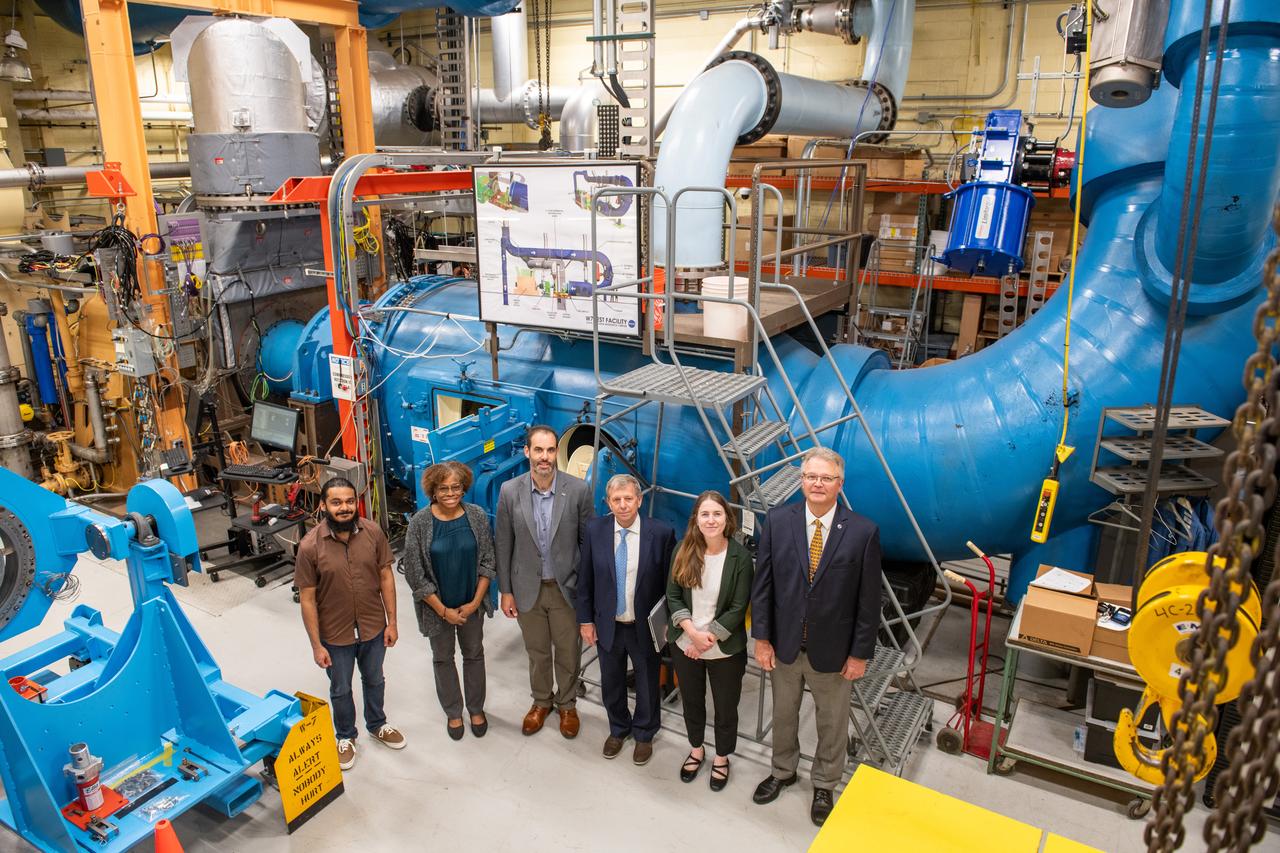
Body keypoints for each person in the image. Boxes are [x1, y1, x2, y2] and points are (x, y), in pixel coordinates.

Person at [750, 447, 881, 826]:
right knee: (783, 714)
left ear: (840, 484)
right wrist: (762, 638)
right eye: (811, 477)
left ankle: (824, 783)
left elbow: (869, 601)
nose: (817, 484)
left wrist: (859, 654)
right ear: (801, 481)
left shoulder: (863, 532)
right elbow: (763, 586)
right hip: (785, 646)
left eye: (826, 478)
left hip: (834, 652)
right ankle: (782, 771)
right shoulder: (778, 521)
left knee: (832, 722)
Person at [295, 477, 406, 771]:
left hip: (373, 626)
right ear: (323, 505)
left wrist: (392, 622)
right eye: (336, 502)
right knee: (341, 688)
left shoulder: (373, 533)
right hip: (335, 634)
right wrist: (316, 645)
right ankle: (345, 736)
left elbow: (386, 577)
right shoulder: (309, 547)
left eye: (349, 501)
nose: (344, 508)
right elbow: (307, 599)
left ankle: (377, 724)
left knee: (375, 679)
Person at [496, 425, 594, 738]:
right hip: (527, 589)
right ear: (527, 451)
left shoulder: (577, 490)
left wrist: (586, 593)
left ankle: (567, 704)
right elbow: (503, 544)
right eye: (538, 450)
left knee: (568, 651)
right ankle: (541, 701)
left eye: (550, 450)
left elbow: (588, 545)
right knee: (537, 651)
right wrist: (505, 591)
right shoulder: (509, 491)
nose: (545, 457)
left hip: (566, 588)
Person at [576, 474, 676, 766]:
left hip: (643, 626)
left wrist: (668, 623)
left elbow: (670, 586)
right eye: (616, 500)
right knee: (611, 682)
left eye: (628, 499)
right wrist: (585, 620)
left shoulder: (661, 533)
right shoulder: (595, 530)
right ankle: (618, 728)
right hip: (607, 624)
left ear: (639, 500)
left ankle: (644, 734)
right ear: (608, 503)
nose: (622, 505)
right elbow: (585, 580)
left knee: (647, 683)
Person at [665, 491, 754, 791]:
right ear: (696, 519)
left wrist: (707, 639)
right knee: (692, 702)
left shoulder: (740, 558)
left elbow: (738, 607)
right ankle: (696, 749)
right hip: (686, 645)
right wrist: (692, 634)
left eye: (717, 514)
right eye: (705, 514)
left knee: (726, 708)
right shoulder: (683, 549)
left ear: (727, 518)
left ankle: (722, 757)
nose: (711, 520)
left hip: (725, 650)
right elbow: (673, 596)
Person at [403, 461, 495, 741]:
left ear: (464, 487)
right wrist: (443, 611)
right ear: (433, 491)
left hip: (471, 606)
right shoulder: (420, 523)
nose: (451, 493)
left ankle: (476, 709)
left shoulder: (476, 515)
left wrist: (475, 603)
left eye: (456, 487)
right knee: (443, 658)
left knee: (474, 654)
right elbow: (416, 574)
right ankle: (454, 712)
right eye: (443, 488)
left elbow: (488, 562)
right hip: (437, 609)